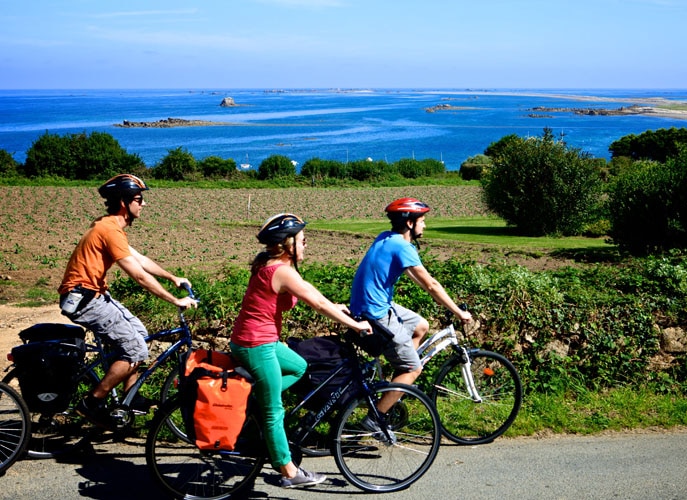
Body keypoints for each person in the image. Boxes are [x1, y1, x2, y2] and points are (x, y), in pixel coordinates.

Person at [231, 213, 372, 489]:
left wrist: (337, 307)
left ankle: (256, 401)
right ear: (287, 243)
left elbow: (313, 294)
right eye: (303, 240)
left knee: (298, 366)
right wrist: (355, 325)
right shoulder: (280, 270)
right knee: (274, 412)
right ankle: (288, 471)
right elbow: (316, 303)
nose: (306, 245)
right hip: (256, 345)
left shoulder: (274, 264)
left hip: (257, 340)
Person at [58, 174, 198, 427]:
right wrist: (174, 300)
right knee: (135, 349)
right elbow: (138, 275)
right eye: (138, 199)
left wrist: (172, 277)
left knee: (139, 335)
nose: (143, 204)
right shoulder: (109, 229)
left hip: (94, 294)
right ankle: (91, 403)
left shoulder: (110, 226)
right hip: (85, 299)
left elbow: (138, 259)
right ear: (124, 203)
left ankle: (128, 399)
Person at [349, 197, 472, 436]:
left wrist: (429, 290)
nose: (424, 226)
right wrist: (458, 312)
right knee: (414, 369)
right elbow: (432, 284)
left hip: (370, 304)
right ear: (409, 224)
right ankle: (375, 420)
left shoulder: (385, 237)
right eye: (422, 221)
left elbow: (416, 278)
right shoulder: (402, 246)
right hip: (376, 313)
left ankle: (397, 383)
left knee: (420, 326)